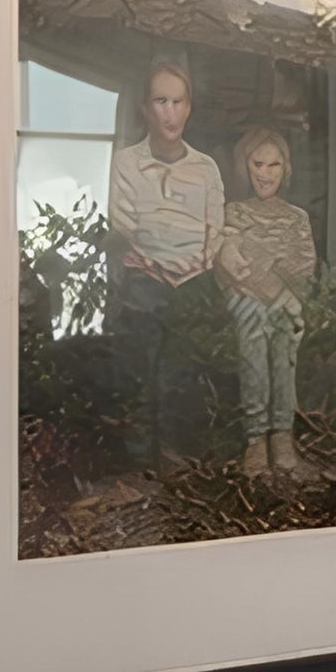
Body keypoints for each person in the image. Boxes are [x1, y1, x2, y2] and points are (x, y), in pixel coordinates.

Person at [102, 59, 223, 463]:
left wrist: (193, 268)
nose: (170, 113)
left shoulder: (205, 168)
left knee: (183, 372)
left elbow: (214, 229)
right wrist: (160, 266)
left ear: (189, 107)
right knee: (139, 368)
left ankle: (177, 458)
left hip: (194, 281)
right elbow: (124, 224)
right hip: (145, 277)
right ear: (145, 108)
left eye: (178, 102)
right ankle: (138, 462)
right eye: (160, 101)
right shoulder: (126, 162)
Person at [213, 124, 319, 480]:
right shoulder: (235, 213)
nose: (265, 173)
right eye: (258, 164)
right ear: (246, 165)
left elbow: (302, 270)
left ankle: (282, 434)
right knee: (253, 321)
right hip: (246, 300)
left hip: (284, 303)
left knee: (284, 328)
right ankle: (256, 437)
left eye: (273, 166)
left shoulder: (296, 218)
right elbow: (236, 269)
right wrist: (272, 279)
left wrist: (280, 288)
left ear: (285, 169)